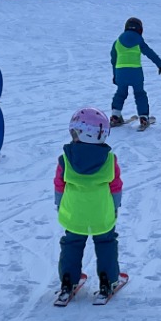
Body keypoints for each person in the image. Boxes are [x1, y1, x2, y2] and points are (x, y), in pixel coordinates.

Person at [55, 108, 124, 302]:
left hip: (74, 213)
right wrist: (115, 207)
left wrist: (59, 204)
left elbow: (59, 185)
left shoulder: (66, 159)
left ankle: (68, 281)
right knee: (106, 242)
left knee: (72, 243)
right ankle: (108, 280)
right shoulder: (109, 160)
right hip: (101, 213)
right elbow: (115, 186)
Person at [109, 17, 161, 128]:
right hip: (136, 72)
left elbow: (113, 60)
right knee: (140, 94)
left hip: (120, 72)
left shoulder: (117, 42)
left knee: (120, 93)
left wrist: (115, 75)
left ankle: (115, 116)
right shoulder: (139, 40)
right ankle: (144, 118)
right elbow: (150, 53)